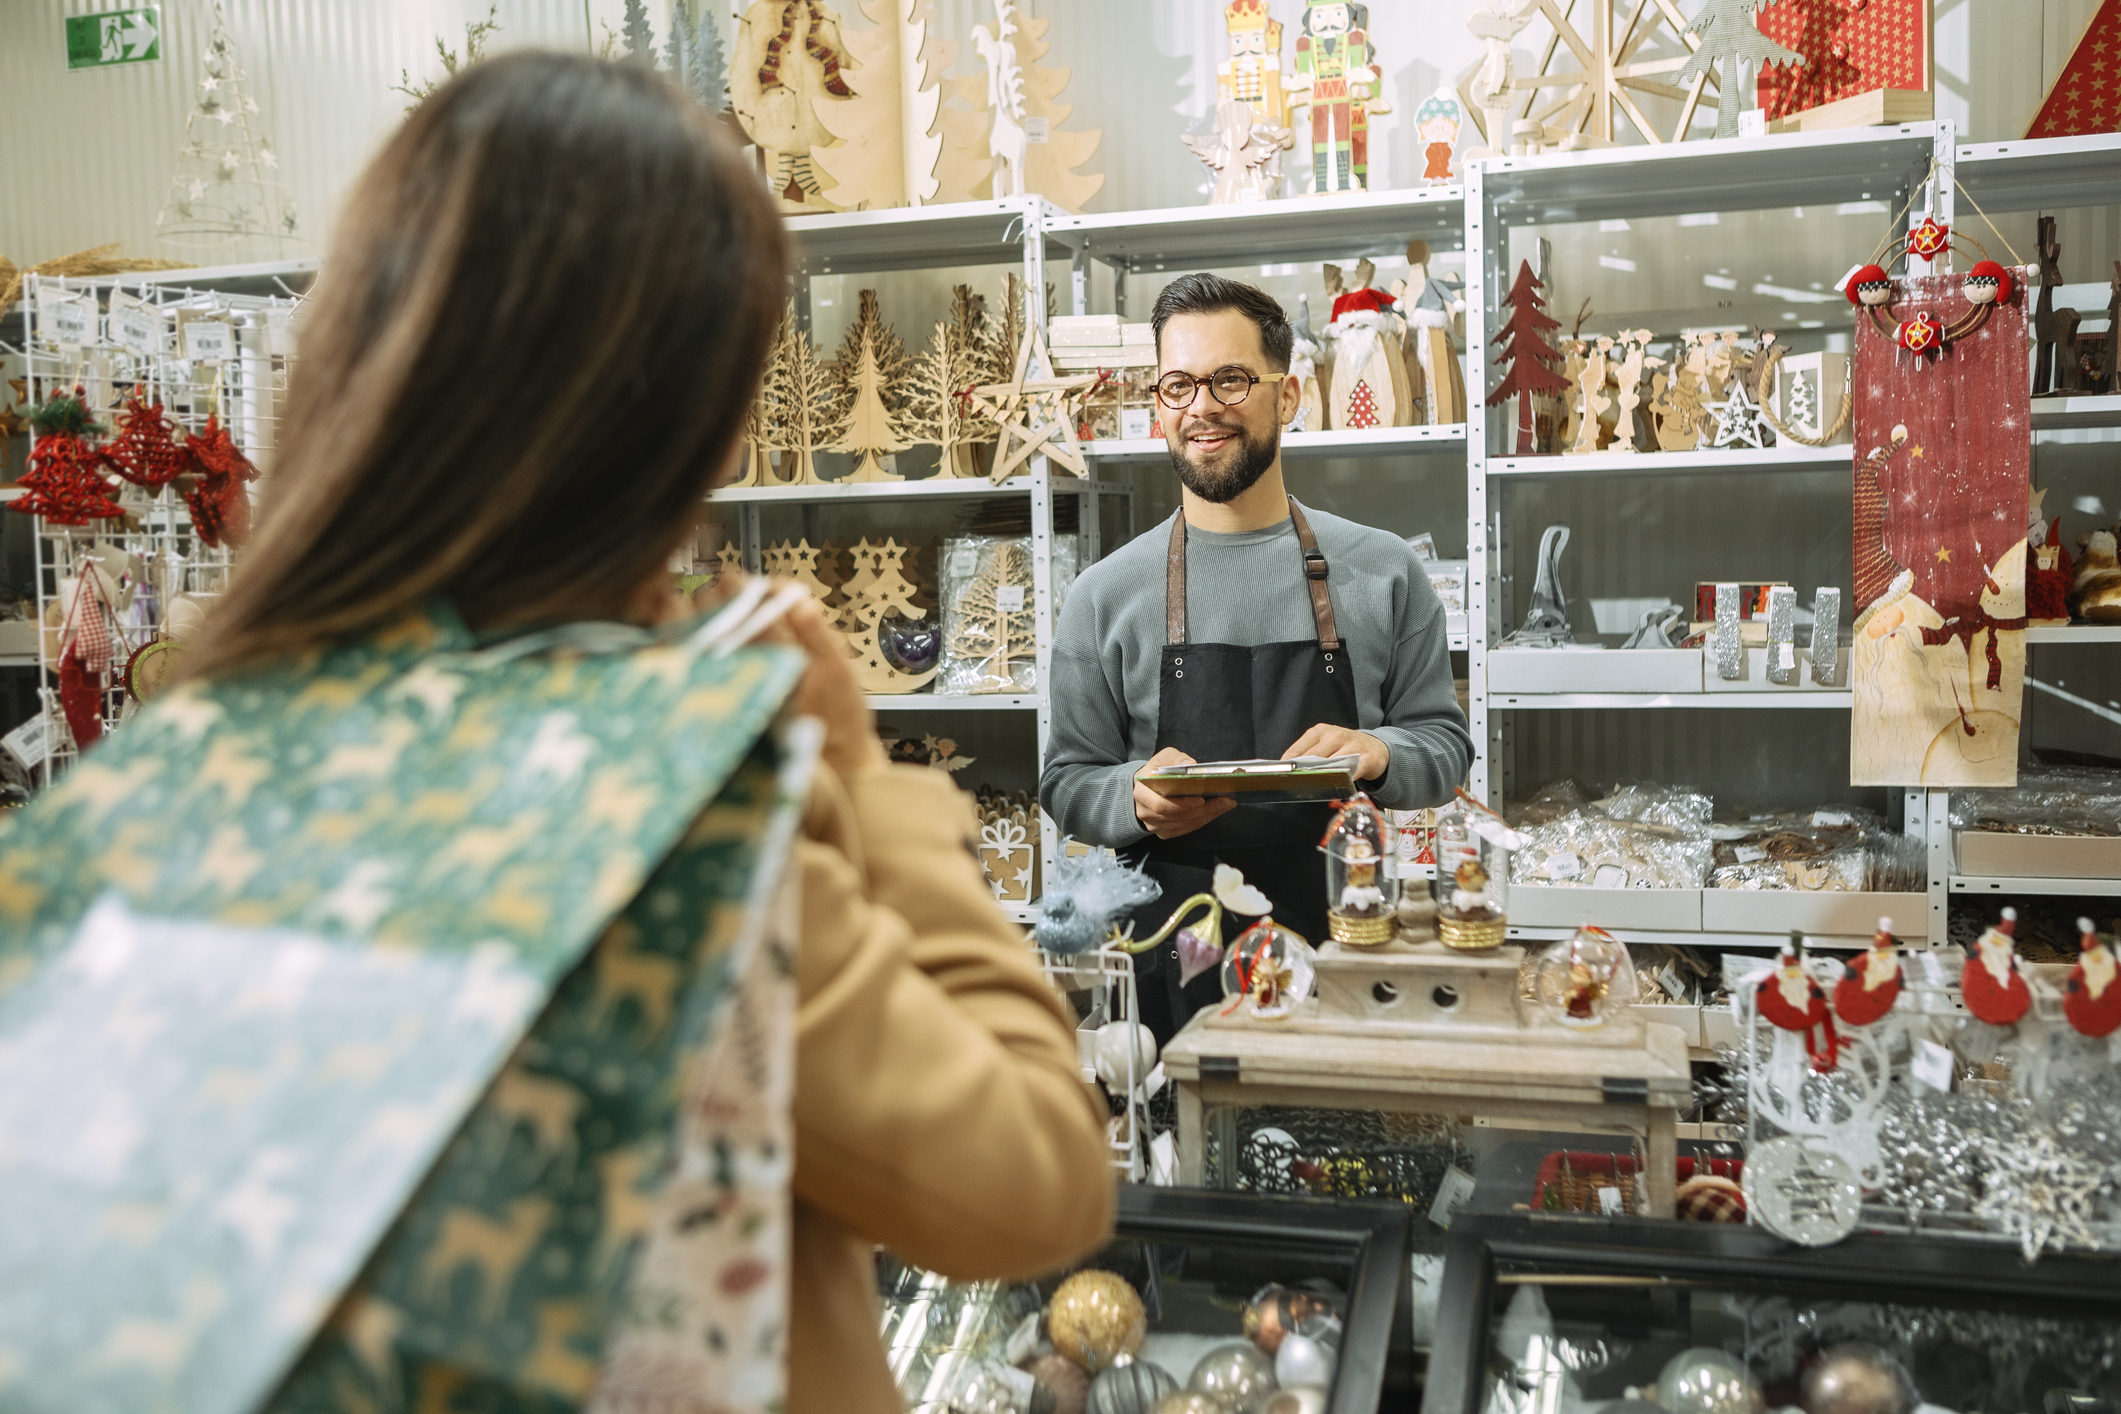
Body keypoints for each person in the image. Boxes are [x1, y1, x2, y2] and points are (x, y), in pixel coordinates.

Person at [0, 53, 1111, 1414]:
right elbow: (1030, 1183)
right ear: (680, 419)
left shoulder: (191, 753)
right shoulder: (673, 786)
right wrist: (864, 784)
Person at [1041, 273, 1472, 1041]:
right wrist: (1134, 799)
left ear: (1289, 395)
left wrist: (1378, 750)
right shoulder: (1103, 595)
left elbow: (1442, 749)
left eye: (1230, 380)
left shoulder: (1382, 572)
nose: (1201, 407)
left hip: (1350, 950)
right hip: (1173, 967)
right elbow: (1067, 780)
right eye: (1177, 384)